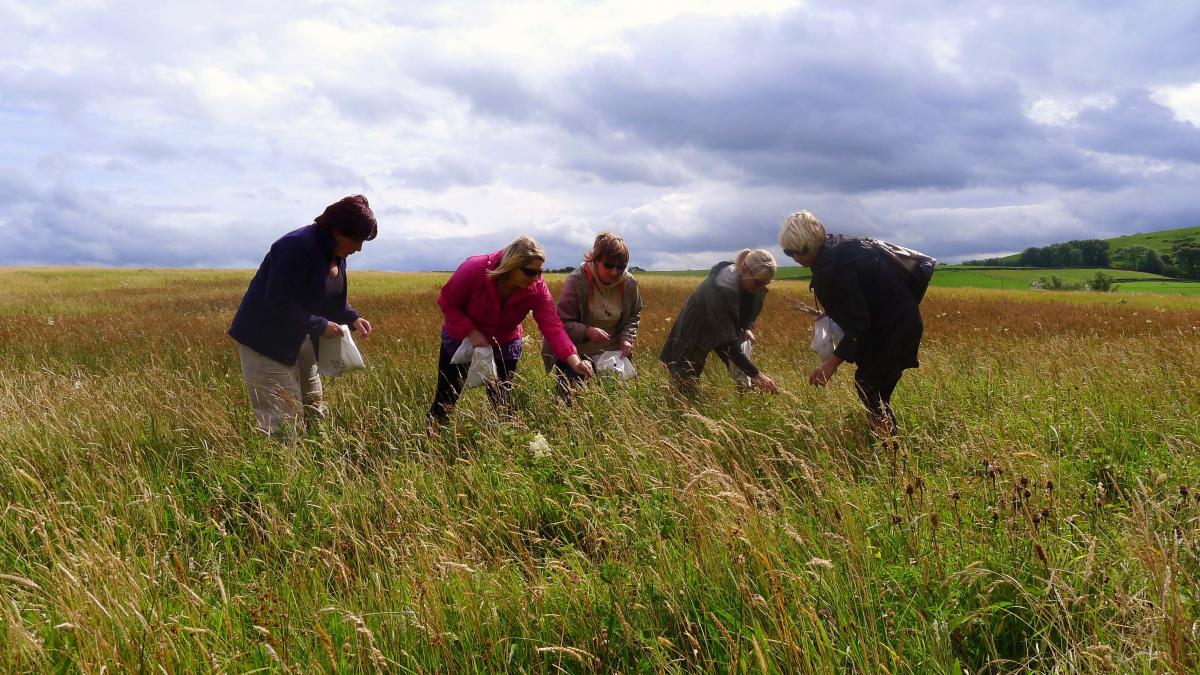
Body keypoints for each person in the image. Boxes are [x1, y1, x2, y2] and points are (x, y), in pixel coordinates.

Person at [228, 194, 376, 439]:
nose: (359, 247)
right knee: (282, 421)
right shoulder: (295, 246)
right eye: (356, 239)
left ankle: (316, 465)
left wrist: (351, 317)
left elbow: (325, 295)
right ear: (337, 230)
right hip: (265, 341)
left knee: (313, 408)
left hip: (300, 338)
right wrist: (319, 325)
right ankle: (284, 473)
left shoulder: (337, 252)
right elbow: (277, 300)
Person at [779, 210, 924, 439]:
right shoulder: (838, 250)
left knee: (869, 385)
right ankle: (885, 439)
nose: (794, 257)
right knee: (872, 386)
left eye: (797, 251)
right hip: (897, 323)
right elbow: (863, 293)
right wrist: (834, 310)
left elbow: (859, 324)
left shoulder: (834, 268)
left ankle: (889, 444)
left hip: (894, 329)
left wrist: (830, 364)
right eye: (788, 252)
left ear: (810, 245)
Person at [429, 235, 593, 421]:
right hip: (461, 341)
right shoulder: (474, 269)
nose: (536, 278)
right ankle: (431, 435)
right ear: (511, 265)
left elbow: (552, 326)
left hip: (504, 344)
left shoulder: (537, 287)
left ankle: (501, 441)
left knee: (501, 404)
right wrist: (472, 333)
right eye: (530, 272)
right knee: (446, 400)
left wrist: (575, 361)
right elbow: (447, 302)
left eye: (540, 271)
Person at [659, 249, 781, 395]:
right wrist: (757, 375)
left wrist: (748, 327)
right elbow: (729, 344)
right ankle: (680, 410)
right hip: (696, 328)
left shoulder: (753, 283)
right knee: (684, 381)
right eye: (757, 283)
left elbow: (751, 310)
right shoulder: (720, 289)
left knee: (744, 377)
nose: (760, 287)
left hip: (726, 324)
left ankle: (745, 401)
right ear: (745, 269)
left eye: (764, 283)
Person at [541, 232, 643, 402]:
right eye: (609, 265)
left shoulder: (630, 283)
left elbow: (634, 314)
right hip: (575, 355)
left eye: (621, 266)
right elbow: (561, 324)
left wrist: (627, 338)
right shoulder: (577, 280)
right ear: (595, 260)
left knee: (613, 405)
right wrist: (587, 331)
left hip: (613, 355)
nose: (614, 272)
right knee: (570, 405)